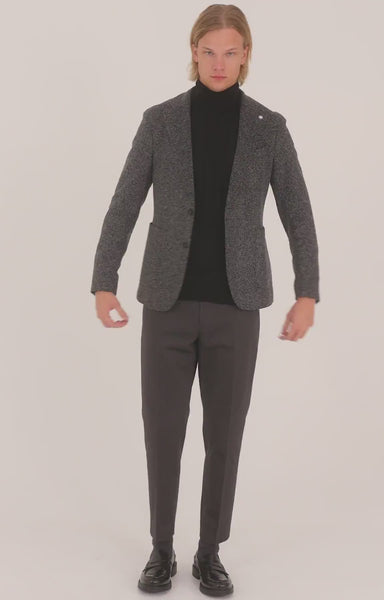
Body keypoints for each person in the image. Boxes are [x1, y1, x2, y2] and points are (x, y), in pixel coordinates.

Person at [90, 4, 320, 596]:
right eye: (209, 51)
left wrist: (307, 293)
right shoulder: (160, 121)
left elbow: (298, 214)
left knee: (225, 435)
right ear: (194, 52)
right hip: (166, 304)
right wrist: (103, 280)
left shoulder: (270, 127)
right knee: (163, 432)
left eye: (231, 52)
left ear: (246, 56)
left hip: (236, 307)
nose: (219, 63)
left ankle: (210, 552)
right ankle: (161, 549)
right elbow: (124, 202)